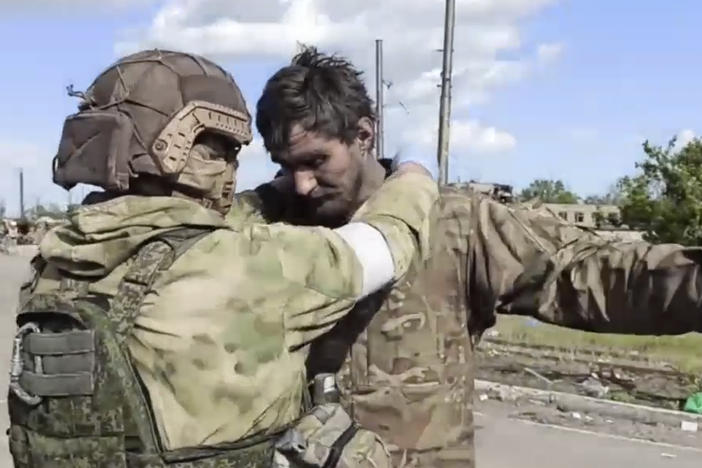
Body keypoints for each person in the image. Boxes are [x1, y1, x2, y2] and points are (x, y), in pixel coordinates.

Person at [231, 46, 702, 467]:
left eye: (315, 162)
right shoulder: (267, 228)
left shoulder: (456, 223)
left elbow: (591, 274)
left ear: (364, 135)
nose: (301, 184)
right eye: (285, 165)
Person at [6, 49, 438, 467]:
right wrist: (416, 172)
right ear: (187, 150)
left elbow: (178, 224)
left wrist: (274, 191)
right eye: (225, 152)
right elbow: (388, 239)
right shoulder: (249, 266)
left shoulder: (57, 264)